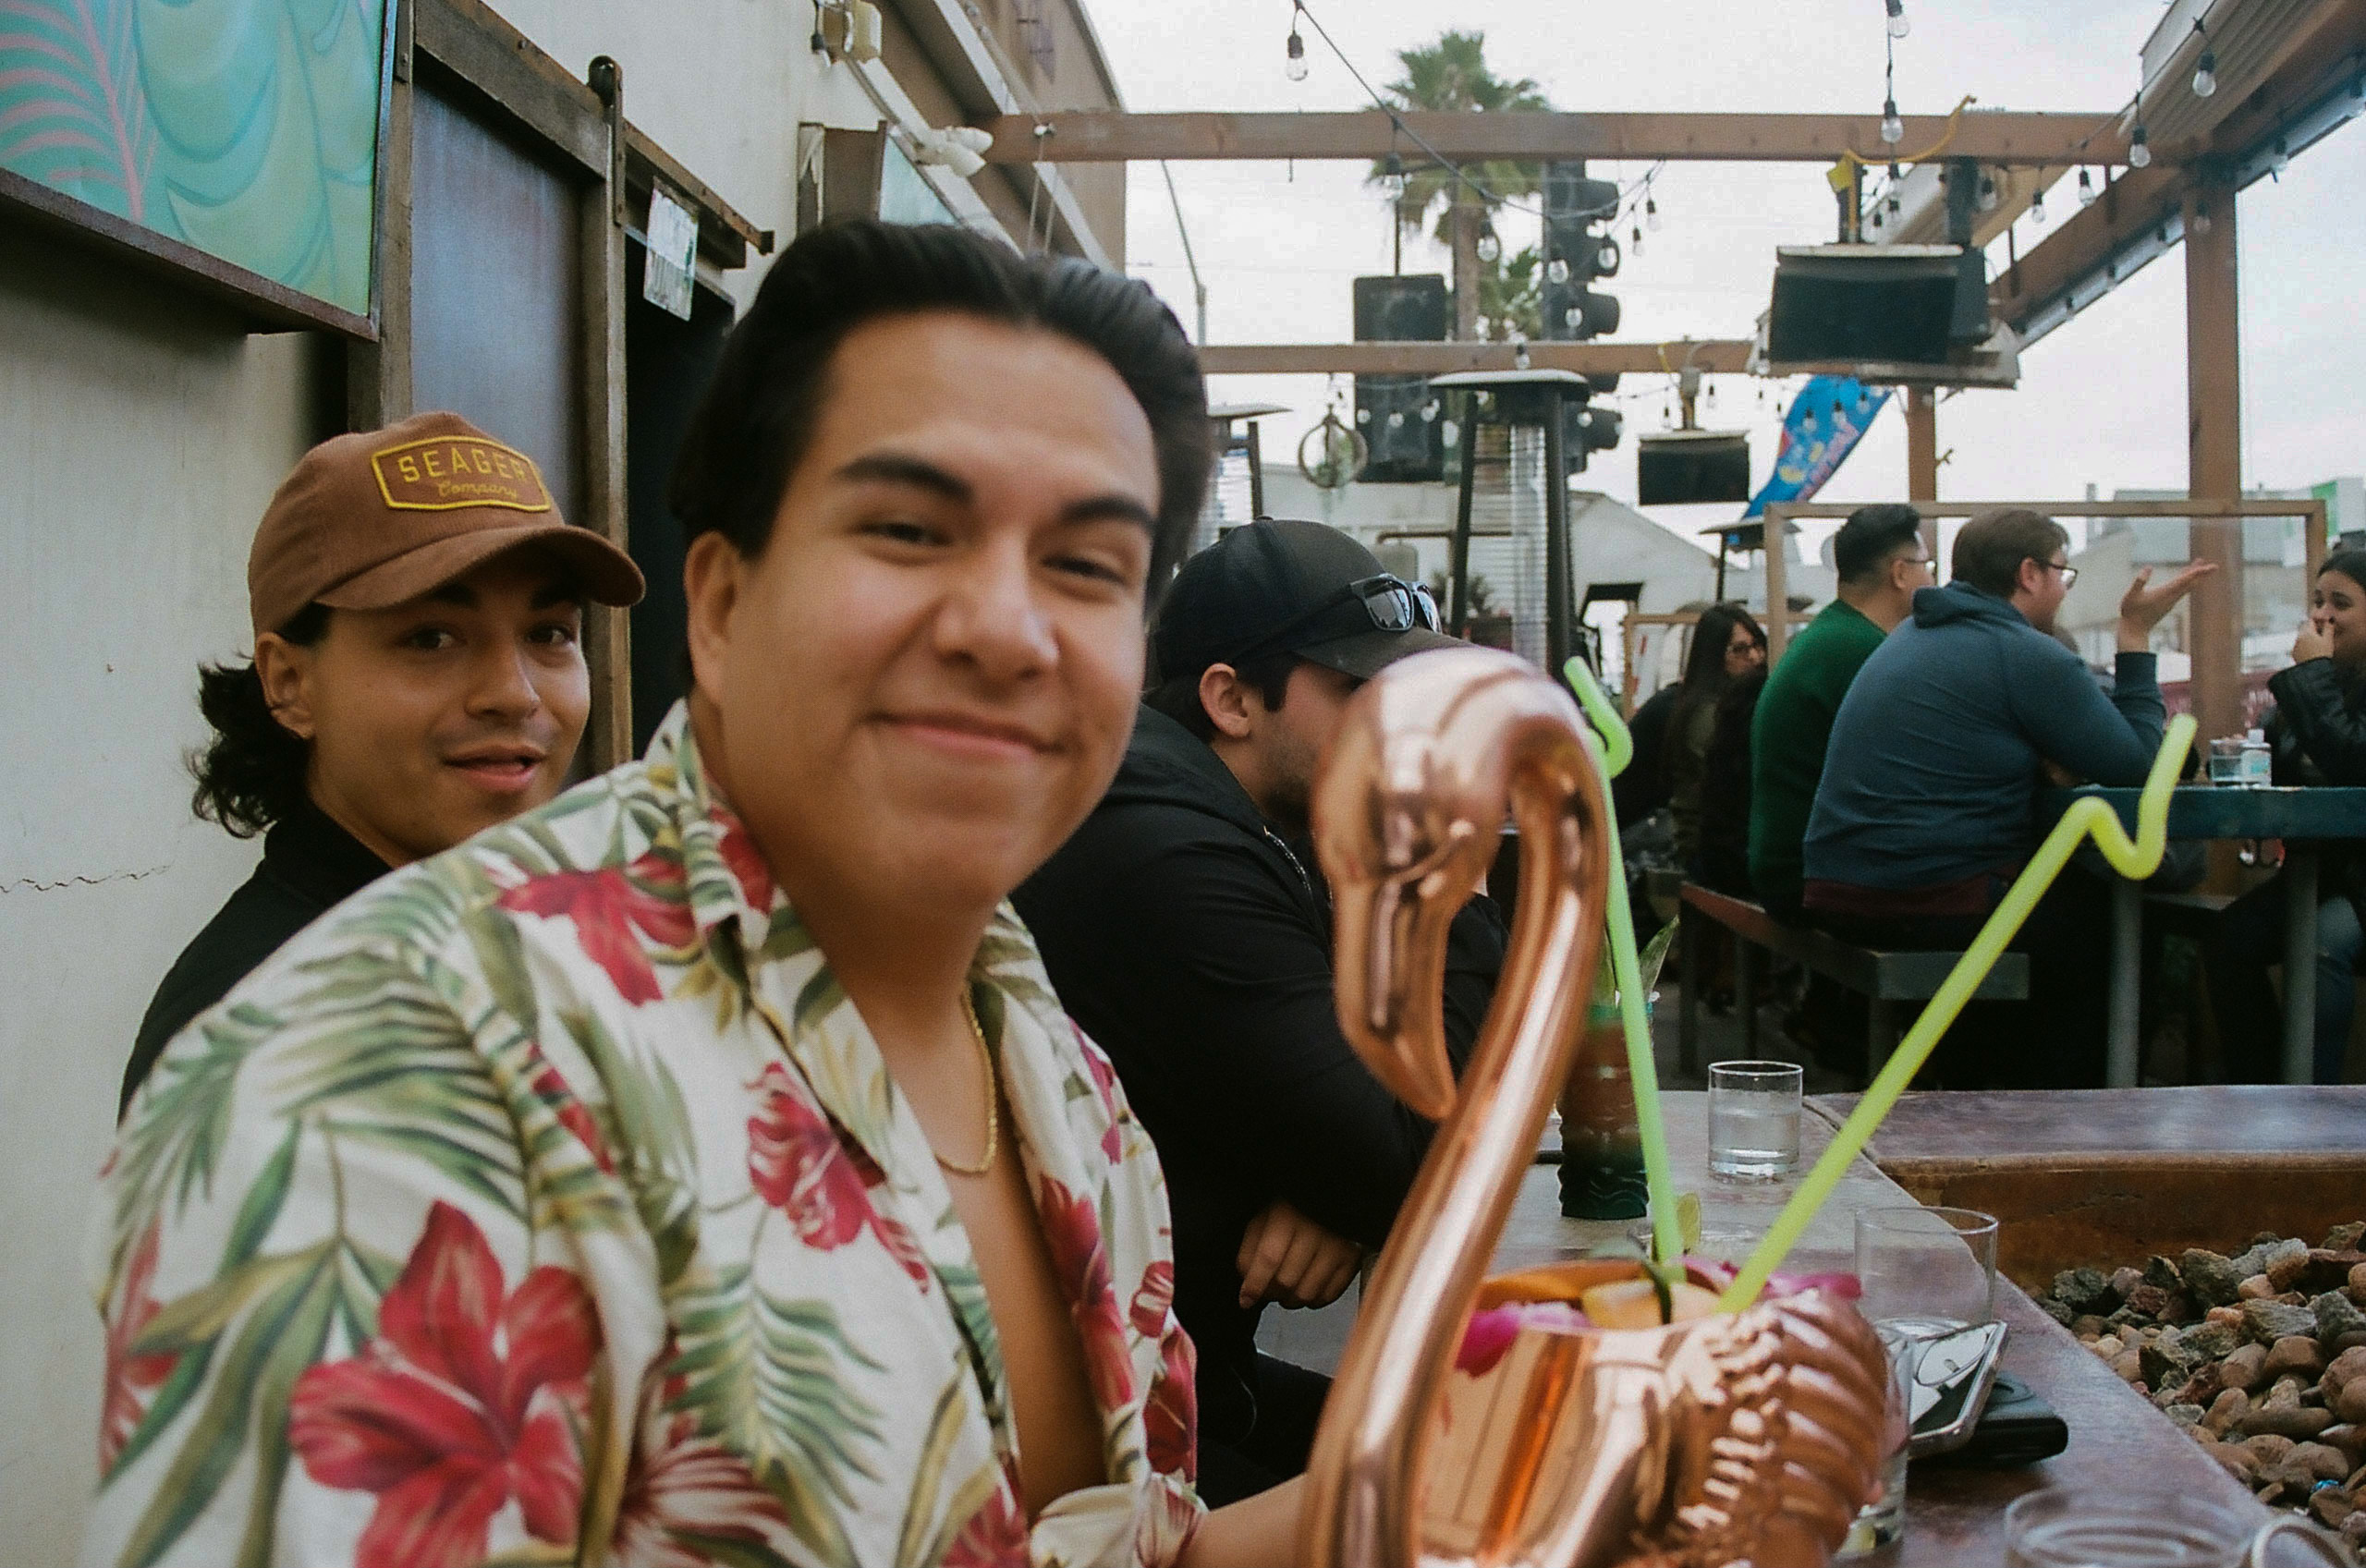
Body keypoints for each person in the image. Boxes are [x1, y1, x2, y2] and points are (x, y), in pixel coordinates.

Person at [88, 221, 1305, 1567]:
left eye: (1087, 565)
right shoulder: (389, 1082)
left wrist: (1404, 1479)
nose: (1007, 629)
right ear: (719, 604)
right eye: (908, 530)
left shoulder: (1061, 1074)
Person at [1014, 518, 1506, 1506]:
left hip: (1181, 1368)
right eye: (1364, 693)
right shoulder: (1160, 847)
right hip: (1098, 1440)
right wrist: (1459, 882)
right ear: (1231, 699)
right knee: (1492, 1493)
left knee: (1495, 1454)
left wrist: (1339, 1180)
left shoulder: (1247, 818)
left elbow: (1374, 1108)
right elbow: (1414, 1162)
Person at [119, 412, 644, 1117]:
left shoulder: (531, 942)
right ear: (289, 683)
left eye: (549, 633)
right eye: (431, 638)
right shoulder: (267, 1030)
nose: (513, 694)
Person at [1802, 507, 2212, 1086]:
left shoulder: (1913, 638)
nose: (2063, 591)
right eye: (2062, 575)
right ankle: (2075, 1118)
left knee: (2056, 910)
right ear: (2029, 573)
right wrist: (2135, 638)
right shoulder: (2022, 653)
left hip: (1845, 884)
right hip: (1923, 893)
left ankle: (1990, 1092)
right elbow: (2137, 771)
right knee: (2113, 924)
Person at [2204, 550, 2366, 1084]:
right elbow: (2279, 758)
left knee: (2322, 942)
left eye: (2340, 603)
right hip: (2319, 876)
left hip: (2353, 885)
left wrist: (2313, 673)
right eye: (2317, 601)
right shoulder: (2316, 686)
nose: (2322, 616)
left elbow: (2352, 761)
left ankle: (2313, 1107)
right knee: (2230, 939)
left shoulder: (2316, 680)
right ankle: (2264, 1088)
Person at [1747, 504, 1930, 922]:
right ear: (1900, 574)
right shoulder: (1862, 652)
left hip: (1788, 868)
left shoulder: (1832, 637)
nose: (1933, 580)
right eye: (1927, 566)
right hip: (1811, 879)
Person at [1665, 602, 1765, 870]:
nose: (1755, 657)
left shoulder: (1729, 706)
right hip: (1708, 851)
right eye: (1740, 649)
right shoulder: (1709, 716)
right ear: (1714, 655)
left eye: (1757, 645)